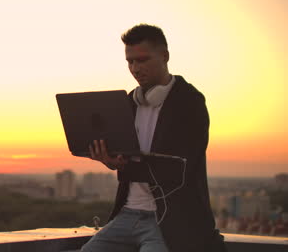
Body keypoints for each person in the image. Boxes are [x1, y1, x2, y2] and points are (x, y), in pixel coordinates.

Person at [81, 24, 226, 252]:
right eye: (130, 62)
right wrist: (109, 159)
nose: (135, 68)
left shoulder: (190, 102)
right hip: (127, 214)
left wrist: (123, 166)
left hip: (168, 220)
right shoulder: (130, 102)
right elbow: (128, 156)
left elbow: (179, 166)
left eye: (143, 60)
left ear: (165, 56)